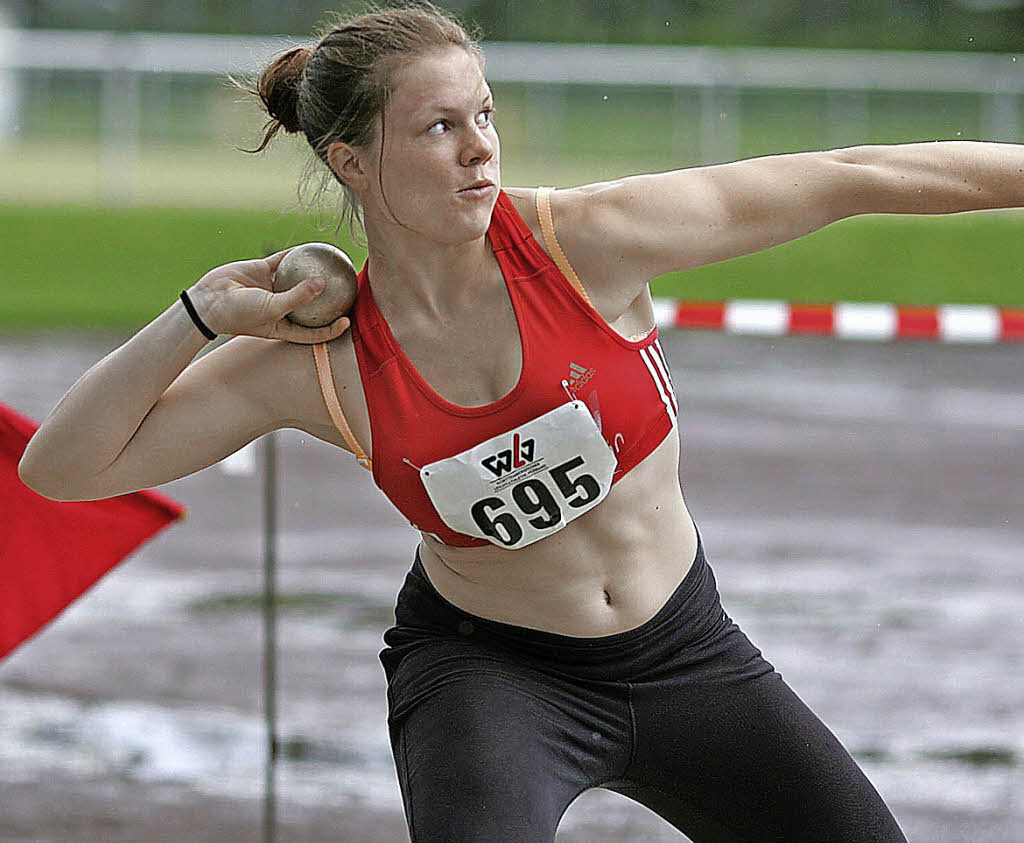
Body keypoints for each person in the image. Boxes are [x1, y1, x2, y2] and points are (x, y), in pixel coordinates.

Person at [19, 2, 1024, 840]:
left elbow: (853, 177)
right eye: (437, 128)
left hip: (685, 649)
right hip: (492, 676)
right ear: (352, 161)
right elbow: (60, 470)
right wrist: (195, 317)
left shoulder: (587, 241)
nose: (479, 149)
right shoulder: (318, 362)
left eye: (484, 115)